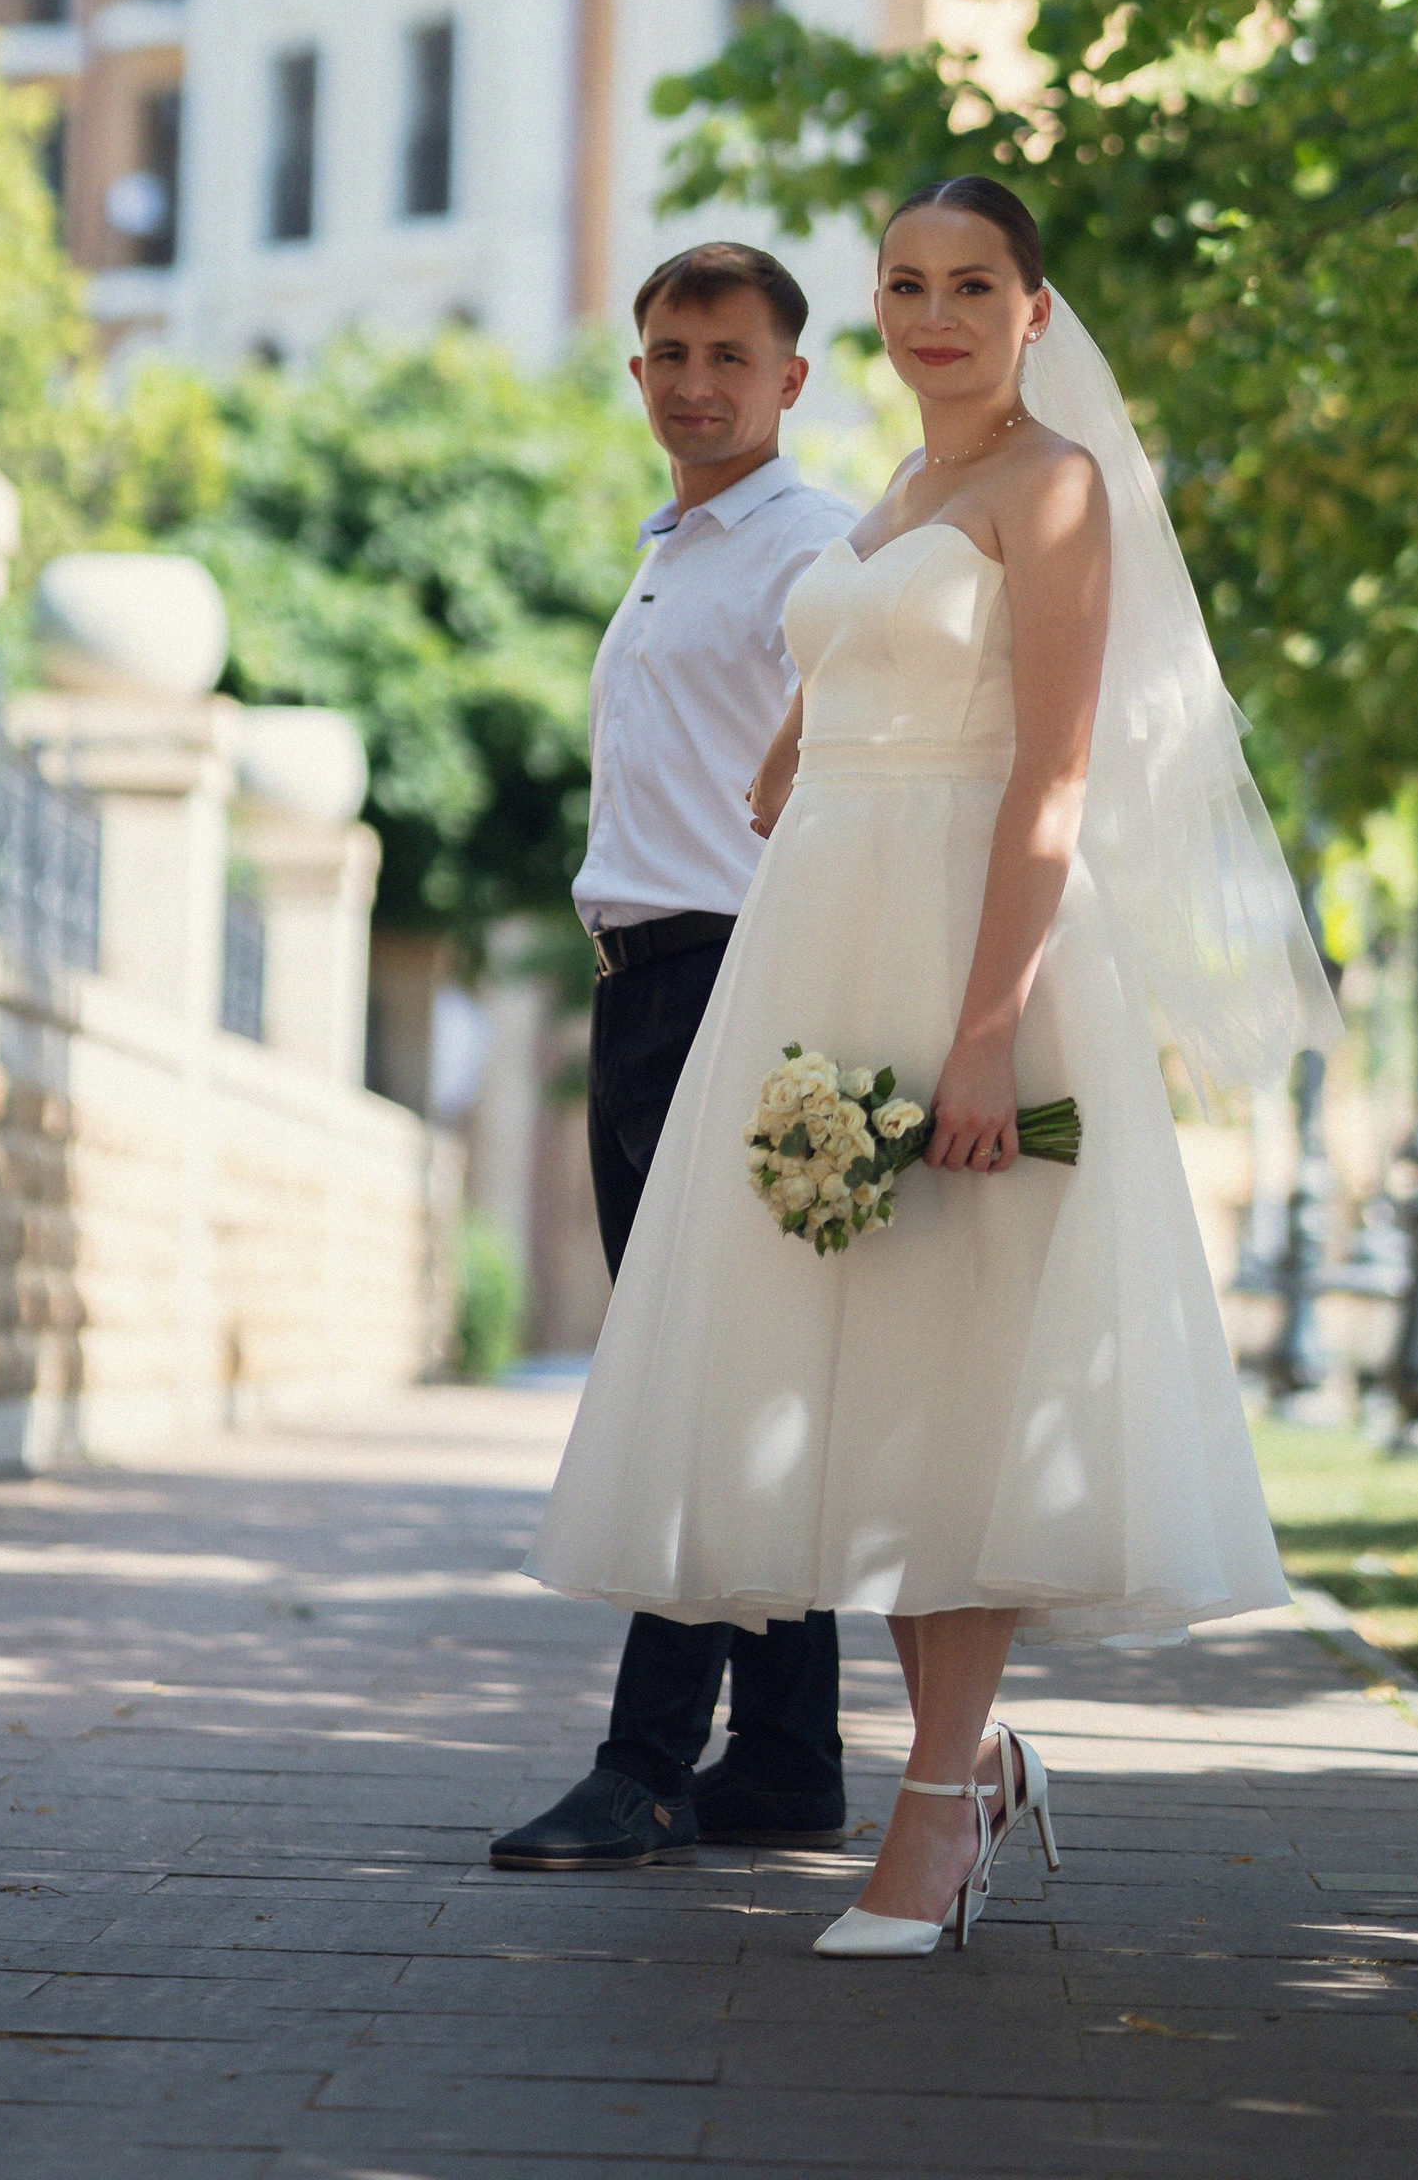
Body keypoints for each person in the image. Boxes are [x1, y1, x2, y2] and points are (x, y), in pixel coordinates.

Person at [535, 172, 1340, 1954]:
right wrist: (800, 737)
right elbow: (866, 645)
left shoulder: (1055, 488)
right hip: (828, 948)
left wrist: (986, 1039)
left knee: (965, 1384)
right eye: (906, 284)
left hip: (970, 952)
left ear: (1034, 312)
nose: (937, 315)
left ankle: (928, 1815)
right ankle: (966, 1769)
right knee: (885, 1389)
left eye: (974, 285)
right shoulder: (896, 492)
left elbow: (1050, 773)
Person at [490, 242, 860, 1872]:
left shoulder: (813, 549)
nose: (695, 383)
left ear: (791, 378)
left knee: (696, 1381)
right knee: (731, 1379)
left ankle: (645, 1765)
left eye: (729, 355)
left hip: (740, 985)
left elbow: (848, 789)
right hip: (641, 989)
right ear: (637, 372)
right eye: (669, 354)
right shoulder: (673, 550)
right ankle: (785, 1759)